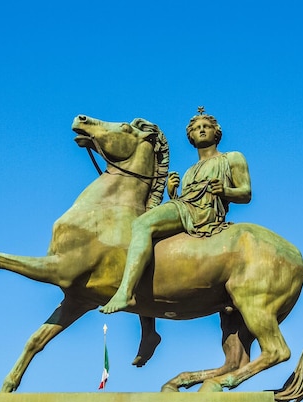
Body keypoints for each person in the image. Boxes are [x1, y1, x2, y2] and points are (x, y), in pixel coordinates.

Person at [100, 107, 252, 367]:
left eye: (206, 126)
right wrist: (173, 193)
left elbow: (246, 192)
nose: (201, 129)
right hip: (185, 210)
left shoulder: (232, 158)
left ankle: (125, 292)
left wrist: (225, 189)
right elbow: (183, 201)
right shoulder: (191, 170)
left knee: (142, 224)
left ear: (217, 133)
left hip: (203, 214)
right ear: (191, 137)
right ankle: (148, 331)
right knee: (152, 253)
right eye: (195, 128)